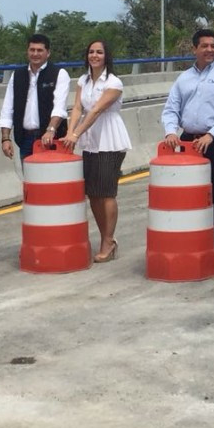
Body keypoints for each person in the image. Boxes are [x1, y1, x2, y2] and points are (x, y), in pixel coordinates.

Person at [161, 29, 214, 272]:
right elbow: (171, 109)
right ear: (194, 49)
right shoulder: (183, 79)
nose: (209, 50)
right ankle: (192, 245)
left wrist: (210, 135)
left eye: (213, 46)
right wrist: (171, 131)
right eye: (204, 46)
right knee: (189, 198)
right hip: (187, 142)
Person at [62, 40, 131, 263]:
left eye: (99, 52)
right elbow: (79, 108)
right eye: (91, 52)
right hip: (90, 141)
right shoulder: (83, 80)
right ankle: (106, 239)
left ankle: (108, 241)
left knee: (106, 192)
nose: (94, 55)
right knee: (93, 192)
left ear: (106, 56)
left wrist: (76, 134)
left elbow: (96, 111)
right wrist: (70, 132)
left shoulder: (114, 82)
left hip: (109, 138)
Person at [0, 33, 70, 161]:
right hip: (25, 139)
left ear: (48, 53)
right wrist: (5, 138)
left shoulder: (59, 74)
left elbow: (59, 108)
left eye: (39, 50)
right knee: (30, 179)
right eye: (32, 50)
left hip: (51, 139)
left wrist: (51, 130)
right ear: (27, 52)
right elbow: (7, 108)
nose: (35, 54)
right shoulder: (17, 75)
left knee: (52, 179)